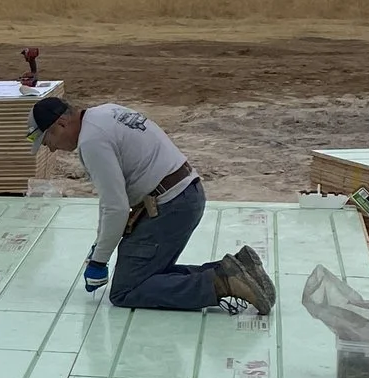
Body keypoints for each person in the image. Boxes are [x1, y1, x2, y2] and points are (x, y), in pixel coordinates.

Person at [28, 96, 275, 314]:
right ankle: (236, 269)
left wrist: (98, 261)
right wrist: (99, 246)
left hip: (172, 206)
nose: (50, 148)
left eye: (47, 138)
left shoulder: (91, 141)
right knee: (144, 274)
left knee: (126, 290)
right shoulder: (105, 112)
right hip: (184, 193)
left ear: (61, 123)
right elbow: (114, 202)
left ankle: (223, 283)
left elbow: (116, 207)